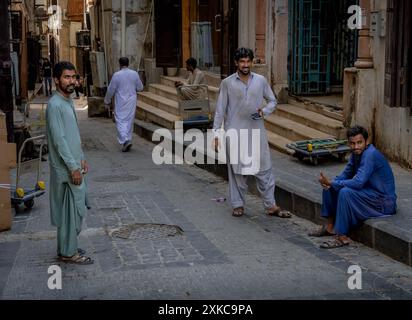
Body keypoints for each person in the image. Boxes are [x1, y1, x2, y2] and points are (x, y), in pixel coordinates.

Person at [212, 47, 291, 218]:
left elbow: (272, 100)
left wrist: (264, 111)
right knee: (237, 172)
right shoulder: (227, 83)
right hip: (235, 133)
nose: (245, 65)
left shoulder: (260, 80)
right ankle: (237, 205)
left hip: (256, 132)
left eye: (248, 61)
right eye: (242, 61)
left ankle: (271, 206)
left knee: (264, 169)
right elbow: (220, 110)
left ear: (252, 62)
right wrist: (217, 134)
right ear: (236, 63)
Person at [309, 126, 397, 249]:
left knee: (345, 192)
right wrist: (329, 183)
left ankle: (341, 236)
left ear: (366, 142)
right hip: (369, 194)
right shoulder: (355, 155)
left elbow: (358, 182)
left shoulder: (370, 155)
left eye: (359, 143)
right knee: (330, 188)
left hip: (383, 202)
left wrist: (333, 182)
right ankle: (330, 228)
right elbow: (345, 175)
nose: (356, 147)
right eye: (352, 143)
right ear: (349, 143)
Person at [46, 61, 93, 264]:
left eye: (73, 77)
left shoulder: (66, 101)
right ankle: (68, 253)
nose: (71, 81)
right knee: (71, 211)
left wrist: (81, 157)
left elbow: (73, 135)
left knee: (71, 211)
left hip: (74, 164)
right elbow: (59, 140)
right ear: (56, 80)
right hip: (66, 168)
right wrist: (73, 167)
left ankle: (67, 247)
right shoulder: (55, 105)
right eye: (66, 77)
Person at [104, 57, 144, 152]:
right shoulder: (134, 74)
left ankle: (125, 140)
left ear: (120, 64)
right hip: (131, 101)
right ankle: (128, 139)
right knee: (129, 120)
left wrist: (107, 101)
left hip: (121, 101)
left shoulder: (116, 75)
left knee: (120, 120)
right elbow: (140, 87)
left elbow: (111, 90)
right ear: (128, 63)